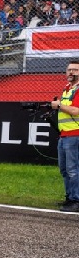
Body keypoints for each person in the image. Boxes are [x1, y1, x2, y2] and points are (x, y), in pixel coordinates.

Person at [52, 60, 79, 213]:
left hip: (75, 134)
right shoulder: (67, 88)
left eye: (75, 70)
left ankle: (76, 200)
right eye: (69, 70)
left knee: (73, 169)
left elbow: (75, 111)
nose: (71, 72)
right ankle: (70, 197)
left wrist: (58, 105)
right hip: (64, 134)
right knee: (64, 169)